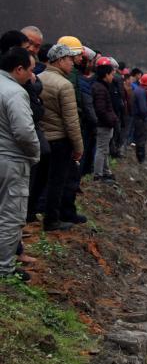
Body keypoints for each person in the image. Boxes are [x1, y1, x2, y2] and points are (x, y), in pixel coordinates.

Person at [0, 47, 41, 280]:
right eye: (30, 70)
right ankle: (5, 270)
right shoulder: (15, 93)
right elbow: (25, 132)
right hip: (11, 161)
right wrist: (35, 153)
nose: (32, 76)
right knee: (11, 216)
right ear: (18, 69)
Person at [37, 44, 84, 232]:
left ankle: (31, 214)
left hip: (41, 138)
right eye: (70, 60)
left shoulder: (37, 79)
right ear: (59, 60)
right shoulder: (64, 85)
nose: (72, 63)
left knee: (39, 180)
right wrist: (78, 147)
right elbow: (71, 121)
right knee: (57, 182)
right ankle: (52, 220)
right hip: (60, 140)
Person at [90, 58, 117, 181]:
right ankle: (98, 175)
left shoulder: (101, 86)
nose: (113, 77)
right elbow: (101, 110)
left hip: (105, 124)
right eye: (111, 74)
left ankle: (105, 171)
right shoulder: (100, 88)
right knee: (101, 149)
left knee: (104, 149)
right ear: (106, 74)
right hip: (103, 125)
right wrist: (111, 119)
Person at [131, 73, 147, 163]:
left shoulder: (137, 90)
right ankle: (141, 159)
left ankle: (140, 158)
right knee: (142, 139)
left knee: (139, 138)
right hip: (141, 120)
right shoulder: (142, 92)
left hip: (137, 118)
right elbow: (143, 108)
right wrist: (146, 118)